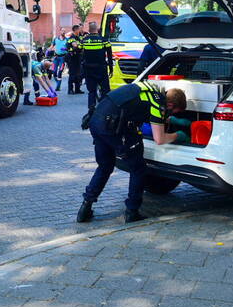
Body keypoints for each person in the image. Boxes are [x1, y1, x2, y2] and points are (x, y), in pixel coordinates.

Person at [78, 85, 189, 223]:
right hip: (114, 127)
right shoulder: (158, 103)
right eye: (172, 111)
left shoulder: (147, 89)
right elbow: (159, 139)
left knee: (105, 166)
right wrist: (178, 135)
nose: (169, 114)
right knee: (138, 169)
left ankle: (85, 209)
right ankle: (132, 212)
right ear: (170, 104)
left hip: (96, 121)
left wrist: (171, 120)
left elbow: (138, 109)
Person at [80, 21, 113, 109]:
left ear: (89, 30)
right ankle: (104, 108)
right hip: (101, 69)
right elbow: (109, 55)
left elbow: (79, 51)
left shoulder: (84, 40)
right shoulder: (104, 40)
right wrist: (111, 69)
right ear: (97, 29)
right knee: (105, 90)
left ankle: (91, 108)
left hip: (88, 69)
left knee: (91, 91)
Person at [65, 25, 84, 94]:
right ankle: (70, 89)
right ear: (76, 30)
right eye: (79, 29)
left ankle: (77, 89)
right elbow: (75, 46)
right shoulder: (72, 38)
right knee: (72, 74)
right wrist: (82, 45)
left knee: (78, 74)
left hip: (77, 58)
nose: (80, 30)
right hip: (72, 58)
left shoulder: (78, 38)